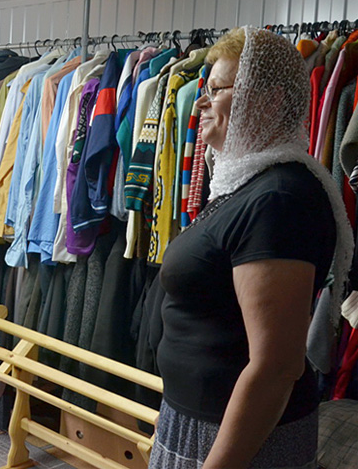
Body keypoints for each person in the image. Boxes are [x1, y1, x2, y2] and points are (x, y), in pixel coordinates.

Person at [149, 27, 352, 468]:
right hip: (202, 421)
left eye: (216, 90)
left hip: (238, 440)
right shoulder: (246, 182)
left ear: (269, 101)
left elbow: (276, 367)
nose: (200, 103)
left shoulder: (279, 199)